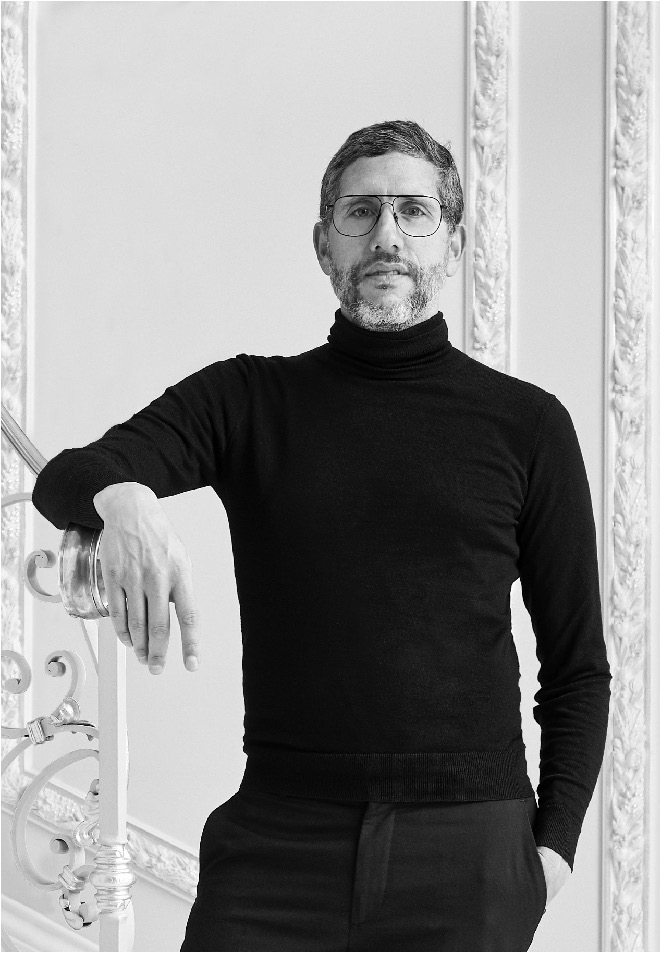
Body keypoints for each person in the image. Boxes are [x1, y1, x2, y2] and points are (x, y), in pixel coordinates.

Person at [32, 119, 611, 952]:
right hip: (278, 836)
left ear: (451, 243)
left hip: (469, 845)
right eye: (359, 212)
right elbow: (69, 474)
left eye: (413, 211)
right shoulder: (248, 399)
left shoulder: (527, 424)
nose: (385, 236)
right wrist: (123, 499)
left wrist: (550, 851)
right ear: (322, 244)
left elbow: (577, 665)